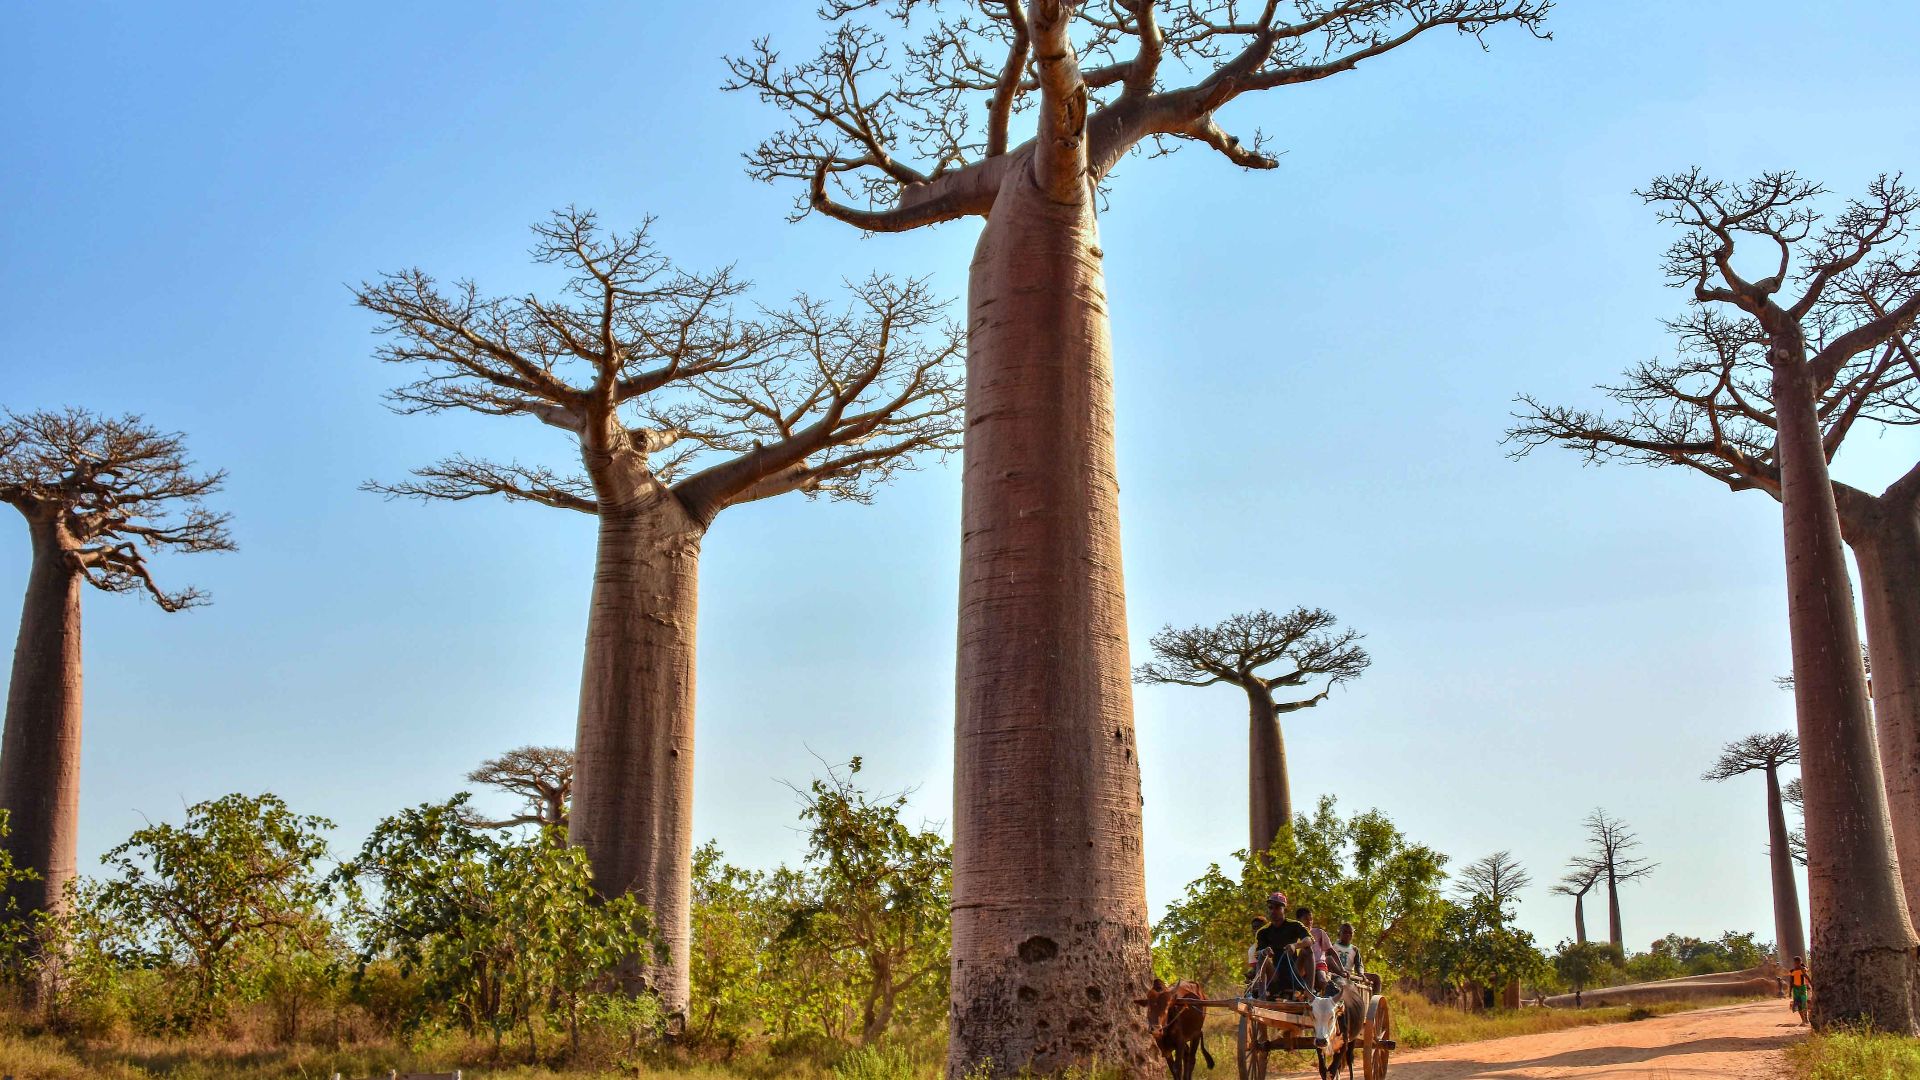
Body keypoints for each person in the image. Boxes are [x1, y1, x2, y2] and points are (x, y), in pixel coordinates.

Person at [1252, 892, 1309, 997]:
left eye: (1278, 907)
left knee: (1307, 950)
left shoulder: (1295, 925)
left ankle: (1310, 993)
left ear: (1285, 910)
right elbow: (1257, 952)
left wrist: (1294, 946)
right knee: (1261, 956)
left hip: (1294, 970)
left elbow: (1309, 940)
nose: (1274, 910)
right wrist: (1265, 951)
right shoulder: (1263, 932)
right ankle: (1261, 995)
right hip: (1275, 974)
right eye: (1271, 907)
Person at [1788, 956, 1811, 1023]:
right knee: (1798, 1005)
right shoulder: (1792, 971)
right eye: (1795, 963)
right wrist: (1790, 991)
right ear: (1794, 963)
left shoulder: (1803, 969)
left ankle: (1806, 1019)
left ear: (1801, 962)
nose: (1797, 964)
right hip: (1795, 989)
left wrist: (1811, 983)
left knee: (1804, 1003)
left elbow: (1806, 976)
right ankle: (1803, 1020)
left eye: (1798, 963)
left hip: (1802, 988)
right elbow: (1791, 982)